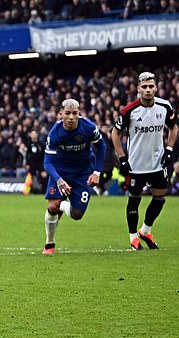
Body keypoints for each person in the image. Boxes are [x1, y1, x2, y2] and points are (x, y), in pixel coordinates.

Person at [111, 72, 178, 251]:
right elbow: (115, 133)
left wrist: (169, 149)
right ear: (138, 88)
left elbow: (174, 127)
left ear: (156, 87)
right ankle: (133, 238)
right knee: (134, 200)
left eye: (151, 86)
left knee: (160, 197)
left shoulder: (165, 106)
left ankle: (146, 230)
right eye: (144, 87)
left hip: (157, 163)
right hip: (136, 165)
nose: (148, 90)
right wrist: (122, 158)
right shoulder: (129, 111)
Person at [41, 98, 106, 255]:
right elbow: (48, 163)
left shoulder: (89, 127)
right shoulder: (55, 133)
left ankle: (63, 206)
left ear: (79, 114)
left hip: (83, 172)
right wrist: (59, 180)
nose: (71, 117)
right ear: (61, 114)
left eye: (74, 113)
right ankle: (49, 244)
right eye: (67, 113)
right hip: (61, 171)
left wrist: (97, 172)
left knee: (77, 214)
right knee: (52, 206)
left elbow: (102, 147)